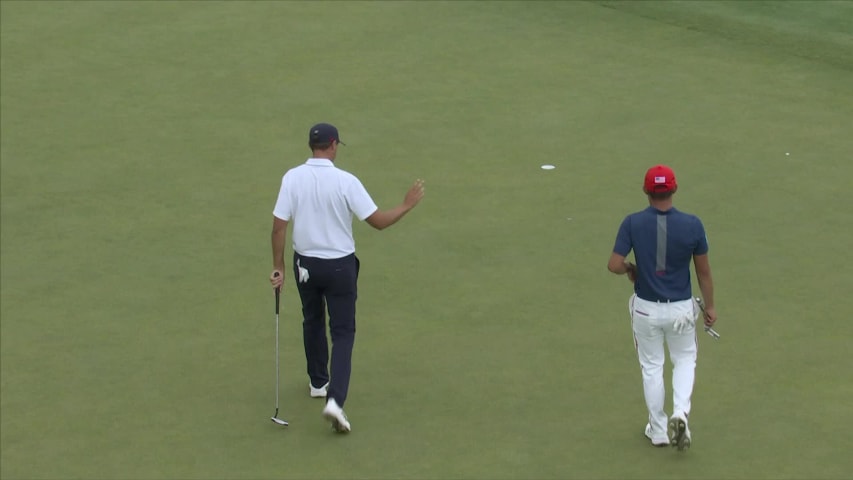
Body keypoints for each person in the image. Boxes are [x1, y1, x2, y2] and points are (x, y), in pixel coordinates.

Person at [269, 123, 425, 433]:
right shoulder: (345, 181)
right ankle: (334, 402)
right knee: (342, 332)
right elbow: (378, 222)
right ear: (332, 145)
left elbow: (279, 226)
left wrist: (279, 267)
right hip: (340, 266)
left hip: (306, 265)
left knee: (311, 319)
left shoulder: (292, 178)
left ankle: (318, 381)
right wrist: (407, 205)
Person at [607, 164, 717, 451]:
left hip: (645, 310)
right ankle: (681, 413)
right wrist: (711, 307)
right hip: (681, 309)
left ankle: (657, 429)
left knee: (652, 366)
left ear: (646, 191)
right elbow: (704, 272)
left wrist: (631, 267)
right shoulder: (693, 225)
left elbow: (614, 265)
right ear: (674, 189)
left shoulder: (632, 223)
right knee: (684, 360)